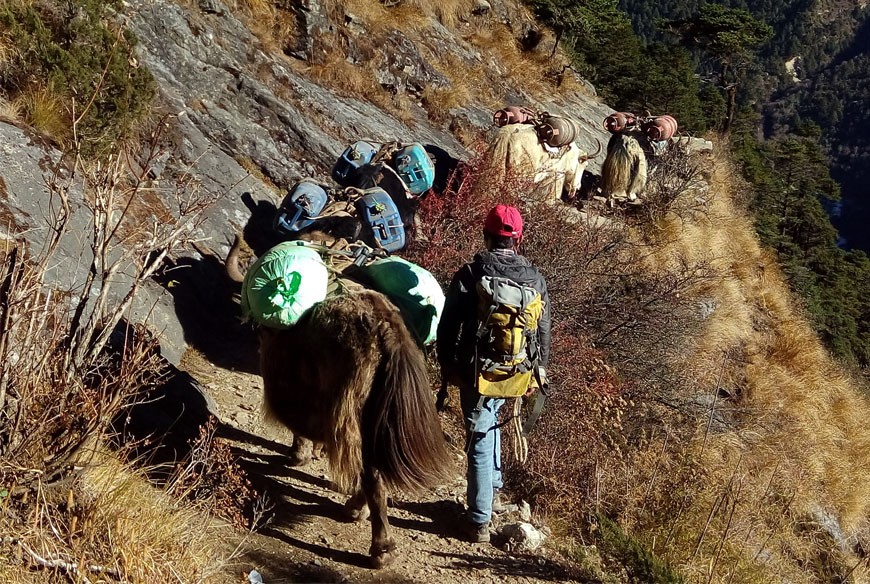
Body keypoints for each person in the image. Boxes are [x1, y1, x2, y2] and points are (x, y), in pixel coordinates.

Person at [437, 204, 551, 543]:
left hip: (478, 371)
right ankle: (493, 492)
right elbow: (543, 330)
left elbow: (448, 325)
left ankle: (478, 519)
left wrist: (448, 366)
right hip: (516, 372)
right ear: (518, 239)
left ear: (487, 235)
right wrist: (537, 375)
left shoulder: (472, 273)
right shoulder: (535, 278)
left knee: (480, 435)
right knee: (492, 420)